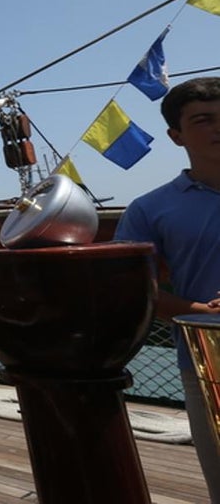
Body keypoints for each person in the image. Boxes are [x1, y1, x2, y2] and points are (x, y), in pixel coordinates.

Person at [114, 76, 220, 501]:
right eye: (203, 120)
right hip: (208, 364)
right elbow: (130, 287)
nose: (219, 127)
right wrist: (199, 310)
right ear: (176, 136)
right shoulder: (149, 210)